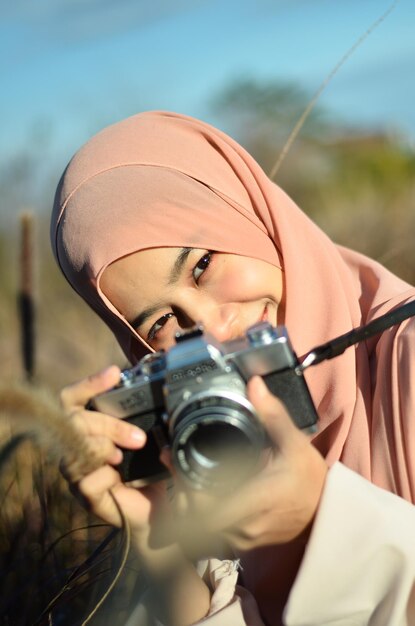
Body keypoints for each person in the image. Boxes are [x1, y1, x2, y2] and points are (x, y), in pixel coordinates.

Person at [51, 110, 415, 626]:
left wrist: (328, 517)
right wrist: (155, 540)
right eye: (159, 322)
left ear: (249, 217)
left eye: (202, 265)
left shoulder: (405, 357)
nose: (210, 329)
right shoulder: (195, 445)